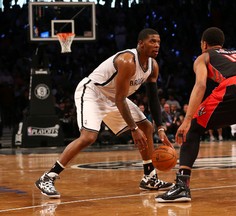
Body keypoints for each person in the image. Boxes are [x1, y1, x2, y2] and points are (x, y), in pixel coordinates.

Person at [35, 28, 174, 198]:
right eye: (152, 41)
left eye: (158, 42)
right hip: (93, 92)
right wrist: (132, 128)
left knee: (146, 126)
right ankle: (48, 177)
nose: (157, 45)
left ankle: (150, 178)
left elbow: (153, 98)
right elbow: (120, 99)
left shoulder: (153, 67)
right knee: (88, 137)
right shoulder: (127, 61)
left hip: (114, 97)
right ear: (140, 44)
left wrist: (160, 127)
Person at [155, 27, 236, 202]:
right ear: (221, 44)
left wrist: (187, 120)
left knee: (193, 129)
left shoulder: (204, 57)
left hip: (234, 86)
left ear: (204, 44)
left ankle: (182, 186)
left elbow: (201, 85)